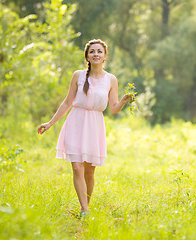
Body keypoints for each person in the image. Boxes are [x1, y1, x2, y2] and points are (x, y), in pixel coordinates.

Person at [37, 39, 133, 215]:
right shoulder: (78, 75)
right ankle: (85, 209)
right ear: (87, 56)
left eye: (99, 51)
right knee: (77, 167)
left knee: (89, 172)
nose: (95, 54)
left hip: (95, 126)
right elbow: (67, 102)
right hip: (76, 121)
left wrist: (124, 101)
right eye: (92, 51)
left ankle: (85, 205)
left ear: (105, 56)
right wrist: (50, 123)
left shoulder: (111, 80)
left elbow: (113, 109)